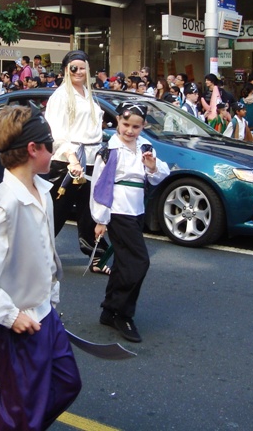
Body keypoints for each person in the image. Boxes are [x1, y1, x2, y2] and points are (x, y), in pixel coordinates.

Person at [0, 105, 82, 430]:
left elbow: (43, 252)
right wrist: (10, 315)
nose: (54, 151)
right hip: (21, 323)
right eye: (50, 145)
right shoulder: (7, 202)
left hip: (45, 315)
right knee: (20, 411)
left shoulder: (42, 191)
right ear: (33, 149)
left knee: (67, 383)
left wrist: (51, 299)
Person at [91, 102, 170, 343]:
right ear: (117, 121)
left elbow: (159, 176)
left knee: (126, 262)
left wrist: (152, 166)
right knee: (139, 261)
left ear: (143, 126)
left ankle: (109, 310)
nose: (129, 130)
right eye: (126, 124)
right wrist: (101, 219)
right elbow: (99, 186)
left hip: (137, 210)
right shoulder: (109, 151)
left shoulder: (145, 147)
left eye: (136, 126)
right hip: (117, 210)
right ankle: (122, 314)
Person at [44, 50, 109, 272]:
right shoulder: (60, 97)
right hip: (67, 162)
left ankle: (97, 256)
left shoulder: (90, 95)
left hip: (91, 160)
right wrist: (72, 159)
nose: (78, 72)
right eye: (74, 67)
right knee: (56, 211)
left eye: (82, 67)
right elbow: (56, 132)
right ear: (65, 70)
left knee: (90, 210)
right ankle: (35, 254)